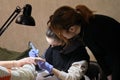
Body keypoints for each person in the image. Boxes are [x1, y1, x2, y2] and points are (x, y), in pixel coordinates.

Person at [46, 4, 120, 80]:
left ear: (71, 29)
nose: (61, 36)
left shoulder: (95, 30)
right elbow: (98, 53)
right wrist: (108, 73)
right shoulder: (83, 29)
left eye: (61, 33)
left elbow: (115, 57)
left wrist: (111, 75)